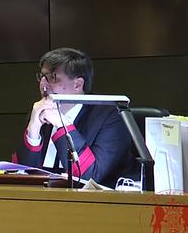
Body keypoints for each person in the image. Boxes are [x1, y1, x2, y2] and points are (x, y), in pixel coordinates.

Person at [13, 48, 137, 188]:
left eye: (51, 77)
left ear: (77, 84)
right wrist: (33, 129)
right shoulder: (40, 112)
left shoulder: (111, 117)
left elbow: (90, 178)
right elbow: (22, 174)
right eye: (41, 77)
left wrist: (62, 125)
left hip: (96, 204)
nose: (43, 84)